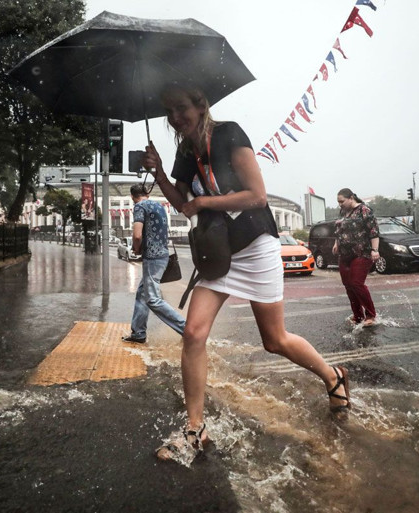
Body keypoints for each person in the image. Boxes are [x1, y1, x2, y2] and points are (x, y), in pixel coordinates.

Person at [142, 84, 351, 464]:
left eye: (181, 108)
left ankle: (333, 376)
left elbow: (257, 195)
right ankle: (195, 427)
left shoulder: (229, 134)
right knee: (193, 332)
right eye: (169, 111)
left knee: (275, 340)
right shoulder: (185, 152)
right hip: (219, 254)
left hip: (256, 247)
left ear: (200, 104)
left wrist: (205, 201)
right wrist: (158, 174)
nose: (175, 118)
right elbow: (184, 207)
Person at [121, 183, 186, 344]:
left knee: (153, 299)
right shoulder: (159, 206)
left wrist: (136, 249)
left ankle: (187, 328)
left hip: (152, 257)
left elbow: (137, 235)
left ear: (132, 196)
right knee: (142, 294)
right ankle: (138, 333)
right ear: (147, 194)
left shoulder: (139, 207)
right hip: (163, 255)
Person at [332, 188, 379, 327]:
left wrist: (375, 250)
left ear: (351, 197)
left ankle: (371, 315)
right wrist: (336, 243)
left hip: (361, 253)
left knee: (356, 283)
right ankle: (358, 315)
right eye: (338, 202)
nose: (340, 204)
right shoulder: (343, 211)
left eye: (342, 201)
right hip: (345, 254)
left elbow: (374, 231)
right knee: (348, 285)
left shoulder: (364, 210)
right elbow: (339, 230)